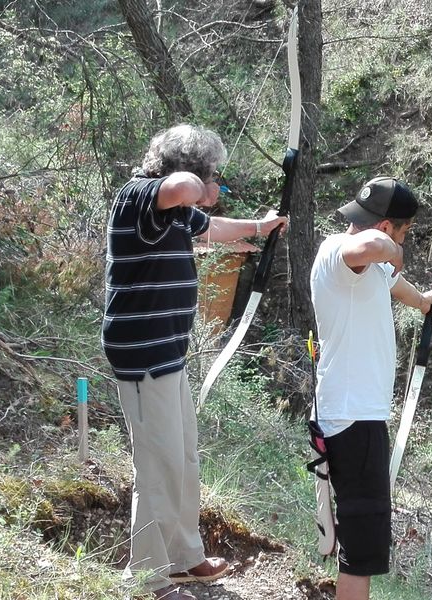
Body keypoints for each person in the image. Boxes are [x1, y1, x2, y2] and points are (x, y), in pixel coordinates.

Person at [101, 124, 288, 600]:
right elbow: (184, 189)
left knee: (182, 456)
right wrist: (200, 185)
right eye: (214, 176)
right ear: (191, 169)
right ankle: (147, 577)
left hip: (167, 352)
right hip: (142, 353)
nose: (215, 187)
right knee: (157, 464)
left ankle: (184, 558)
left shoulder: (179, 211)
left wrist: (259, 228)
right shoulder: (140, 195)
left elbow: (215, 227)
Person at [309, 176, 432, 600]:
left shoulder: (369, 270)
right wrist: (393, 248)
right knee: (361, 543)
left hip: (354, 414)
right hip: (353, 417)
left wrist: (424, 301)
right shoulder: (341, 252)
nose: (400, 242)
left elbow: (398, 286)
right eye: (402, 231)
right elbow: (367, 249)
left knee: (358, 533)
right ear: (387, 227)